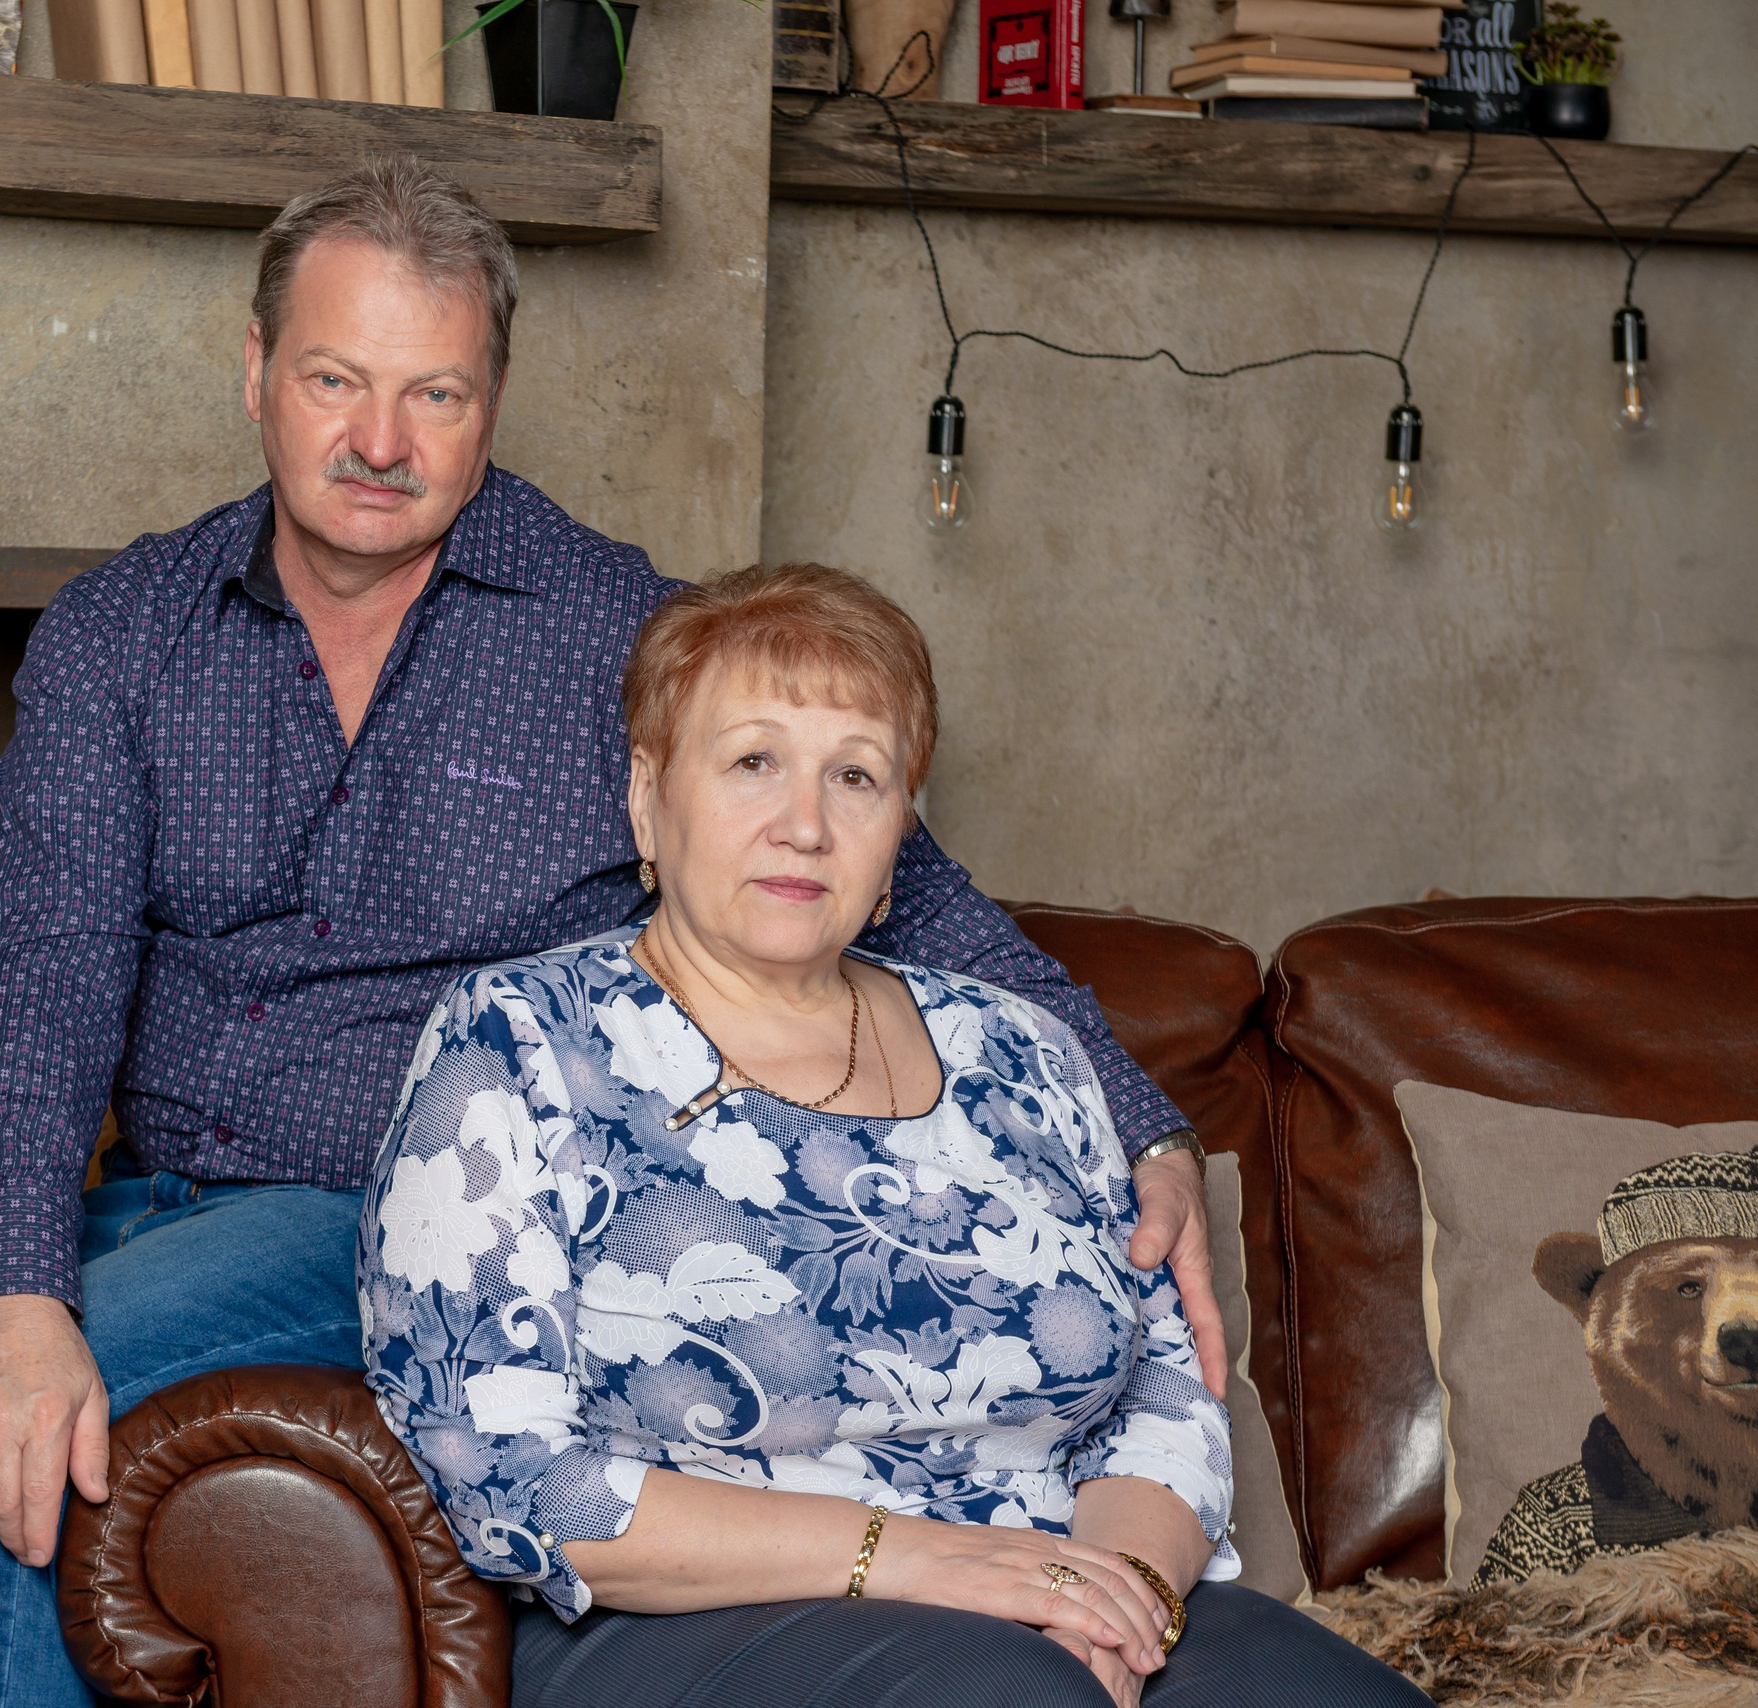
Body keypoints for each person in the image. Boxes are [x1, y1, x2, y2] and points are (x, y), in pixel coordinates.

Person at [0, 159, 1225, 1708]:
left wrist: (1148, 1130)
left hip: (379, 1211)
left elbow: (929, 902)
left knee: (12, 1456)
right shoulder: (122, 630)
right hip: (144, 1206)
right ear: (255, 371)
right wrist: (12, 1277)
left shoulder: (616, 637)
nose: (378, 443)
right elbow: (49, 972)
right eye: (336, 381)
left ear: (493, 403)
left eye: (435, 395)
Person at [358, 564, 1429, 1708]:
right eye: (753, 761)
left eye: (855, 776)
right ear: (646, 799)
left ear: (897, 839)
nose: (805, 824)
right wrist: (921, 1558)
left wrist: (1112, 1594)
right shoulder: (516, 1040)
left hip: (1065, 1584)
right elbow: (508, 1474)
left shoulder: (1020, 1047)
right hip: (701, 1616)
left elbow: (1165, 1388)